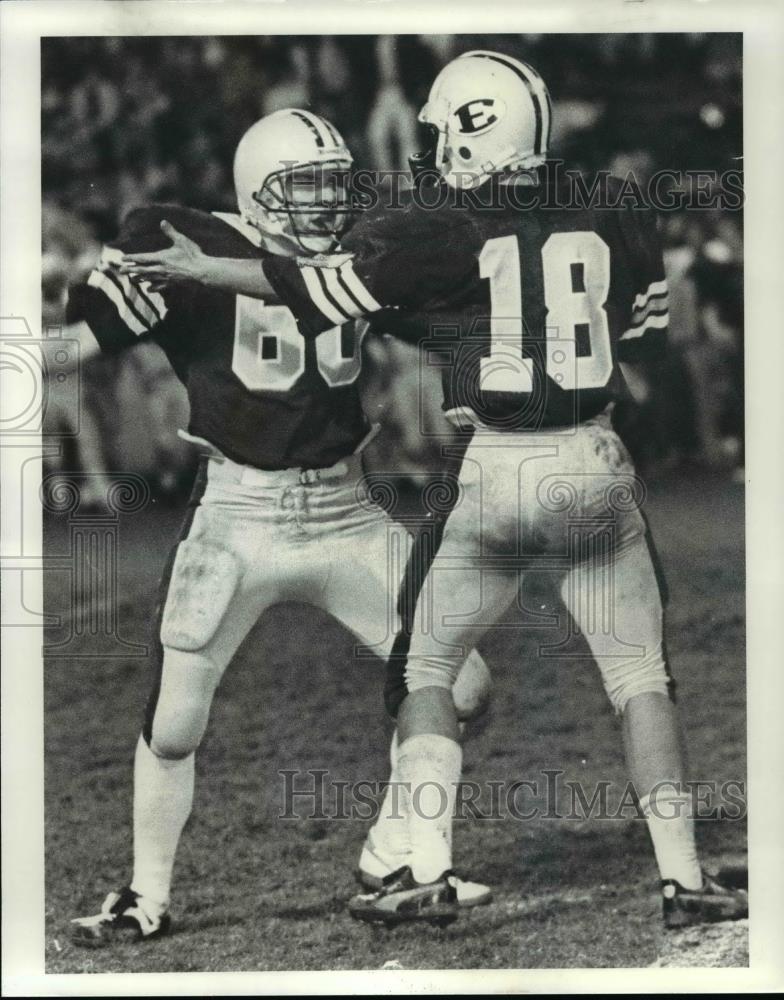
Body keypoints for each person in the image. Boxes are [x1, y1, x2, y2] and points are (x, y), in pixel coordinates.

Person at [122, 52, 748, 932]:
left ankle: (423, 866)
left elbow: (318, 289)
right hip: (595, 462)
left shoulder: (440, 221)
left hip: (495, 464)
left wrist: (209, 271)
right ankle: (683, 879)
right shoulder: (616, 202)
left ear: (470, 127)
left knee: (427, 667)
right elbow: (639, 332)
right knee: (641, 676)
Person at [66, 109, 491, 947]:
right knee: (177, 722)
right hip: (241, 515)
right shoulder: (184, 243)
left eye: (337, 184)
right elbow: (85, 339)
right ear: (256, 193)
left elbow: (440, 320)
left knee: (466, 686)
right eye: (308, 186)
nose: (329, 203)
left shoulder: (356, 255)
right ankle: (143, 896)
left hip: (347, 510)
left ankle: (388, 857)